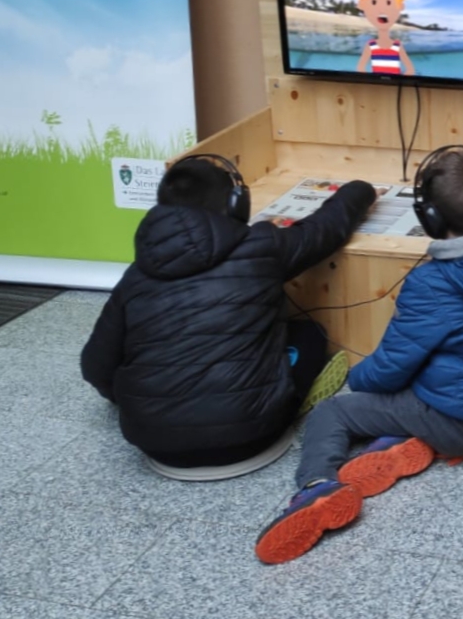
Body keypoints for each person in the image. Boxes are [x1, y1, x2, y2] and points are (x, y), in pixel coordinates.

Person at [254, 146, 463, 564]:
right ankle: (402, 440)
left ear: (430, 219)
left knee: (333, 414)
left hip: (460, 420)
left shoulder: (432, 284)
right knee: (433, 371)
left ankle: (315, 486)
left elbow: (390, 368)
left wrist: (355, 378)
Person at [80, 155, 375, 473]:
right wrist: (361, 188)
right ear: (237, 203)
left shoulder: (136, 276)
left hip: (155, 443)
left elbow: (95, 366)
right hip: (253, 435)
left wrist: (145, 402)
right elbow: (326, 229)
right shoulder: (261, 244)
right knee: (309, 334)